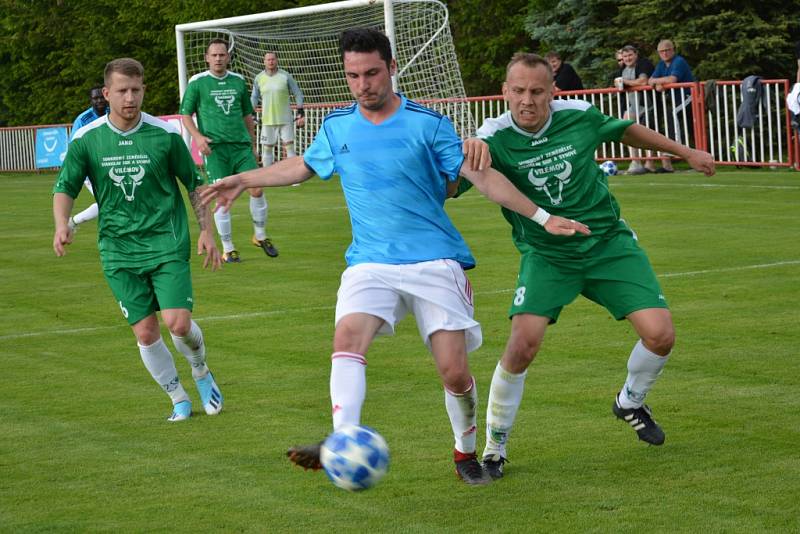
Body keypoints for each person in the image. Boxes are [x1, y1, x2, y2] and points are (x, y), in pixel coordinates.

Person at [201, 29, 586, 486]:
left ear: (391, 69)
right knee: (346, 336)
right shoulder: (337, 127)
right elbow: (301, 166)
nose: (363, 84)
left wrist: (543, 218)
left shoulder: (429, 124)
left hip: (434, 260)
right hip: (370, 261)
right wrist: (242, 178)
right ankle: (341, 439)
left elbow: (482, 178)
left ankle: (465, 452)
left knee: (455, 372)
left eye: (371, 73)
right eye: (353, 76)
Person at [457, 53, 714, 479]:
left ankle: (630, 401)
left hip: (608, 243)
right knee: (522, 345)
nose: (527, 100)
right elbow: (455, 184)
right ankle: (494, 448)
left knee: (661, 335)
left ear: (553, 91)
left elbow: (627, 131)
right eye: (518, 91)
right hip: (547, 255)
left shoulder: (578, 116)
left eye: (537, 91)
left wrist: (685, 151)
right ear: (504, 92)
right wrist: (455, 155)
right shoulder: (492, 138)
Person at [53, 58, 224, 422]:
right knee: (146, 332)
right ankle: (178, 398)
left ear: (144, 90)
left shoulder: (164, 135)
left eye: (136, 90)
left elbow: (194, 185)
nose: (130, 98)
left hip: (166, 241)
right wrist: (60, 224)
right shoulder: (87, 139)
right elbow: (65, 187)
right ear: (106, 93)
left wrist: (207, 230)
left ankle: (200, 368)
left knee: (178, 324)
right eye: (122, 91)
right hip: (118, 249)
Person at [180, 38, 278, 262]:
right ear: (206, 58)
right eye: (213, 55)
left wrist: (252, 145)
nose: (218, 58)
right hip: (216, 150)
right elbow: (185, 114)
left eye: (222, 55)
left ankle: (260, 236)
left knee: (257, 189)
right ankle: (228, 248)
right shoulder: (198, 82)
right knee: (223, 197)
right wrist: (198, 137)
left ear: (228, 57)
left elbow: (247, 115)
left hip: (241, 147)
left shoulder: (238, 81)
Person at [647, 39, 696, 173]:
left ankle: (677, 151)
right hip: (674, 100)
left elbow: (672, 79)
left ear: (673, 50)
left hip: (687, 97)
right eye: (661, 51)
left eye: (667, 50)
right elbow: (650, 80)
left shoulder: (679, 61)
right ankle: (668, 159)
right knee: (663, 119)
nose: (664, 53)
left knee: (674, 116)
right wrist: (659, 83)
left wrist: (659, 83)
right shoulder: (661, 65)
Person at [251, 52, 305, 169]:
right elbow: (254, 97)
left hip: (285, 119)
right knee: (267, 148)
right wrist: (252, 112)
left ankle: (293, 178)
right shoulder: (259, 78)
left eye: (273, 59)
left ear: (277, 60)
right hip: (267, 120)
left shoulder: (285, 76)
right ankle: (267, 177)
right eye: (268, 60)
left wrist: (301, 112)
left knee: (289, 147)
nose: (271, 62)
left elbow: (297, 93)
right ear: (264, 61)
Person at [66, 86, 108, 233]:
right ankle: (72, 222)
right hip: (89, 167)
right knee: (106, 201)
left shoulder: (114, 113)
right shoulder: (83, 120)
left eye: (101, 97)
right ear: (91, 100)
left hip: (109, 165)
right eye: (95, 98)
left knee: (112, 200)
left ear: (107, 96)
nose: (99, 101)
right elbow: (74, 146)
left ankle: (72, 222)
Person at [614, 45, 655, 174]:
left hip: (648, 104)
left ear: (636, 54)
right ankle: (635, 161)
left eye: (630, 55)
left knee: (648, 132)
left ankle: (650, 162)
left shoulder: (643, 64)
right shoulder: (622, 70)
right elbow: (618, 85)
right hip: (632, 105)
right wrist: (619, 83)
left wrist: (625, 82)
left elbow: (643, 81)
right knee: (628, 127)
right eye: (625, 56)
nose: (627, 58)